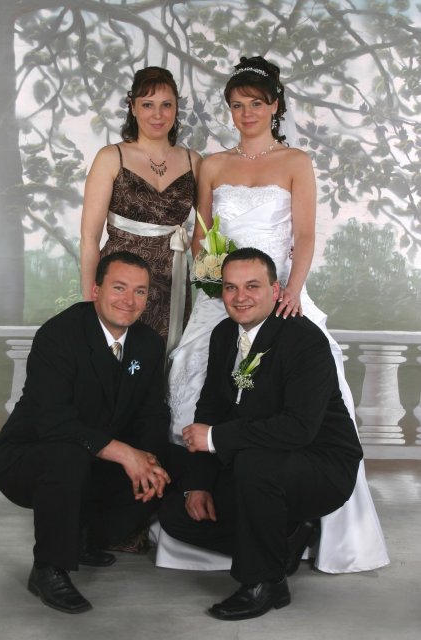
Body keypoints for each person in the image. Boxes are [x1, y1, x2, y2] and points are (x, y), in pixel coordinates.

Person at [161, 55, 389, 573]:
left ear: (275, 106)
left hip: (278, 289)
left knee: (292, 389)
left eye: (256, 104)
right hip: (224, 293)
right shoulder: (213, 165)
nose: (246, 113)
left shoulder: (296, 162)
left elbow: (304, 236)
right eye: (237, 105)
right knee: (198, 382)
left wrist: (293, 291)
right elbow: (202, 236)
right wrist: (211, 282)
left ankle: (292, 516)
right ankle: (211, 505)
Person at [159, 248, 364, 620]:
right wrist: (199, 485)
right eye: (231, 287)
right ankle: (285, 541)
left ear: (275, 290)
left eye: (252, 286)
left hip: (321, 465)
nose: (240, 297)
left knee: (254, 465)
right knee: (176, 511)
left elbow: (299, 428)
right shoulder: (224, 334)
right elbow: (211, 409)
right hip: (257, 457)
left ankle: (263, 583)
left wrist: (215, 439)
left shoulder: (305, 340)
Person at [0, 251, 171, 614]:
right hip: (29, 456)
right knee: (69, 454)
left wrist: (149, 461)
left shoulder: (149, 343)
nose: (129, 300)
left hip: (94, 457)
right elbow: (54, 422)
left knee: (169, 463)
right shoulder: (59, 334)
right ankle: (48, 568)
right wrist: (126, 454)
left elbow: (152, 413)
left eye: (139, 291)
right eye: (119, 288)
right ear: (96, 289)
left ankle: (85, 536)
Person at [80, 66, 201, 355]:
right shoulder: (111, 157)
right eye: (147, 105)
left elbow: (207, 232)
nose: (157, 115)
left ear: (176, 109)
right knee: (117, 360)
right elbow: (88, 238)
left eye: (166, 105)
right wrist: (88, 301)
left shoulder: (194, 161)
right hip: (120, 283)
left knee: (164, 361)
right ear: (133, 108)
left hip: (173, 281)